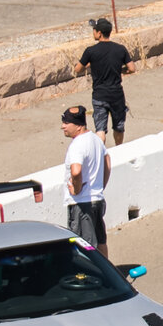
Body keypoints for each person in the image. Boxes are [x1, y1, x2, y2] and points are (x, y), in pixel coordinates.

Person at [60, 105, 109, 259]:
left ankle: (90, 279)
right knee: (100, 241)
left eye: (67, 123)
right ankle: (107, 277)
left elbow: (76, 171)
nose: (63, 126)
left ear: (79, 126)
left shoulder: (77, 145)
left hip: (82, 204)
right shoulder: (95, 139)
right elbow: (107, 162)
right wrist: (100, 186)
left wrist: (76, 188)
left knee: (84, 247)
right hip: (96, 199)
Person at [79, 16, 131, 145]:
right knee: (118, 126)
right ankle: (119, 149)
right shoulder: (120, 49)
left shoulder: (91, 51)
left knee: (100, 129)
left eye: (94, 30)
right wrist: (121, 71)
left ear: (99, 33)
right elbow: (132, 68)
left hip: (99, 95)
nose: (93, 33)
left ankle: (101, 154)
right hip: (117, 95)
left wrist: (91, 64)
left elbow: (77, 69)